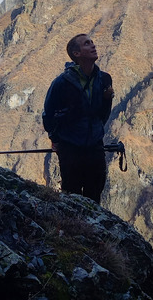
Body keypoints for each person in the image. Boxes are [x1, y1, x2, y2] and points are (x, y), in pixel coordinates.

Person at [42, 33, 114, 203]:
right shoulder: (61, 83)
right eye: (87, 44)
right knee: (71, 195)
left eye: (92, 42)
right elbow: (48, 114)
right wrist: (56, 139)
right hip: (70, 147)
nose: (93, 46)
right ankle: (72, 229)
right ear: (77, 54)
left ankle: (90, 230)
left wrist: (97, 129)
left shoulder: (104, 79)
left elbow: (104, 112)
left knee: (95, 193)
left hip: (94, 145)